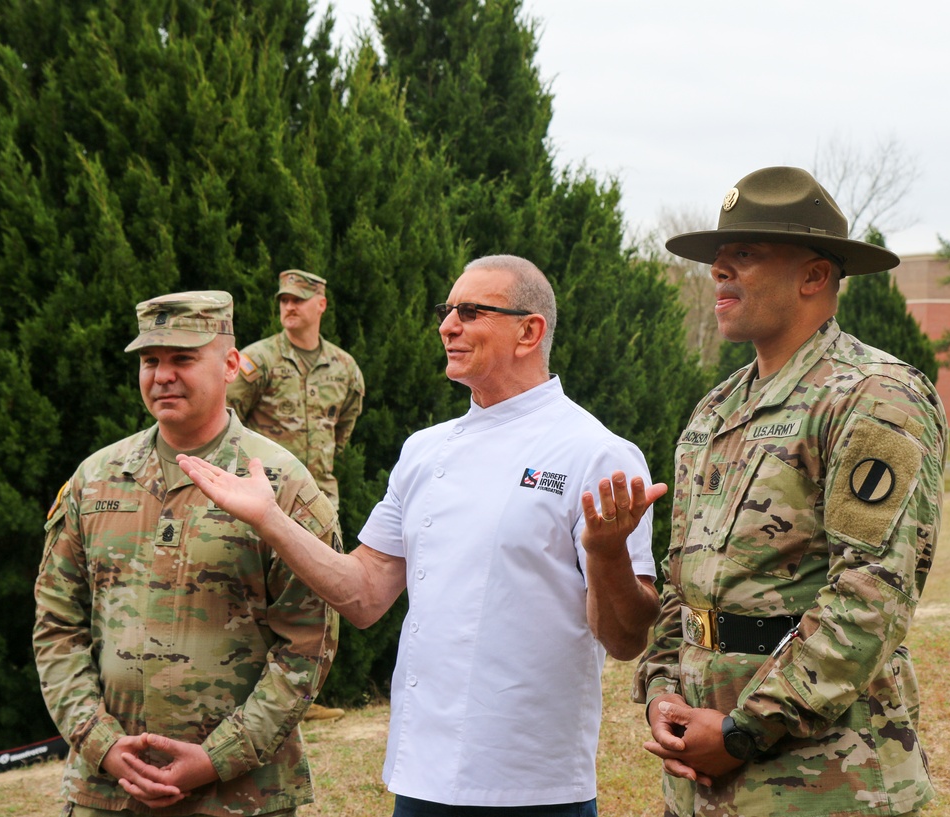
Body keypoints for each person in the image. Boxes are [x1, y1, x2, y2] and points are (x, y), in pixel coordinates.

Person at [179, 255, 664, 816]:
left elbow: (625, 640)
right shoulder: (425, 449)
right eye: (446, 310)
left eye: (470, 311)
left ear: (529, 331)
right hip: (422, 774)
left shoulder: (596, 452)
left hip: (532, 784)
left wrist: (605, 555)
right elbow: (363, 593)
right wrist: (270, 519)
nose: (446, 326)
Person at [634, 167, 947, 817]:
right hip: (698, 789)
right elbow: (681, 587)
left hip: (824, 786)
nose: (719, 268)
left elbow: (870, 598)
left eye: (744, 254)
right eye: (718, 257)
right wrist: (661, 690)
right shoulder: (714, 411)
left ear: (813, 276)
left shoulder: (873, 398)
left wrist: (746, 730)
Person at [33, 291, 341, 817]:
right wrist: (99, 742)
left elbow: (308, 643)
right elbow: (56, 625)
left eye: (182, 358)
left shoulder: (279, 483)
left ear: (230, 364)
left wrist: (217, 757)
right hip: (109, 792)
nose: (162, 375)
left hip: (240, 794)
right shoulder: (97, 478)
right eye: (150, 361)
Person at [227, 269, 364, 509]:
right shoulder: (259, 360)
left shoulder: (344, 367)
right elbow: (227, 420)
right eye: (284, 300)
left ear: (321, 304)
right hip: (265, 498)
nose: (289, 306)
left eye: (298, 299)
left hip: (320, 501)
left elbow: (341, 432)